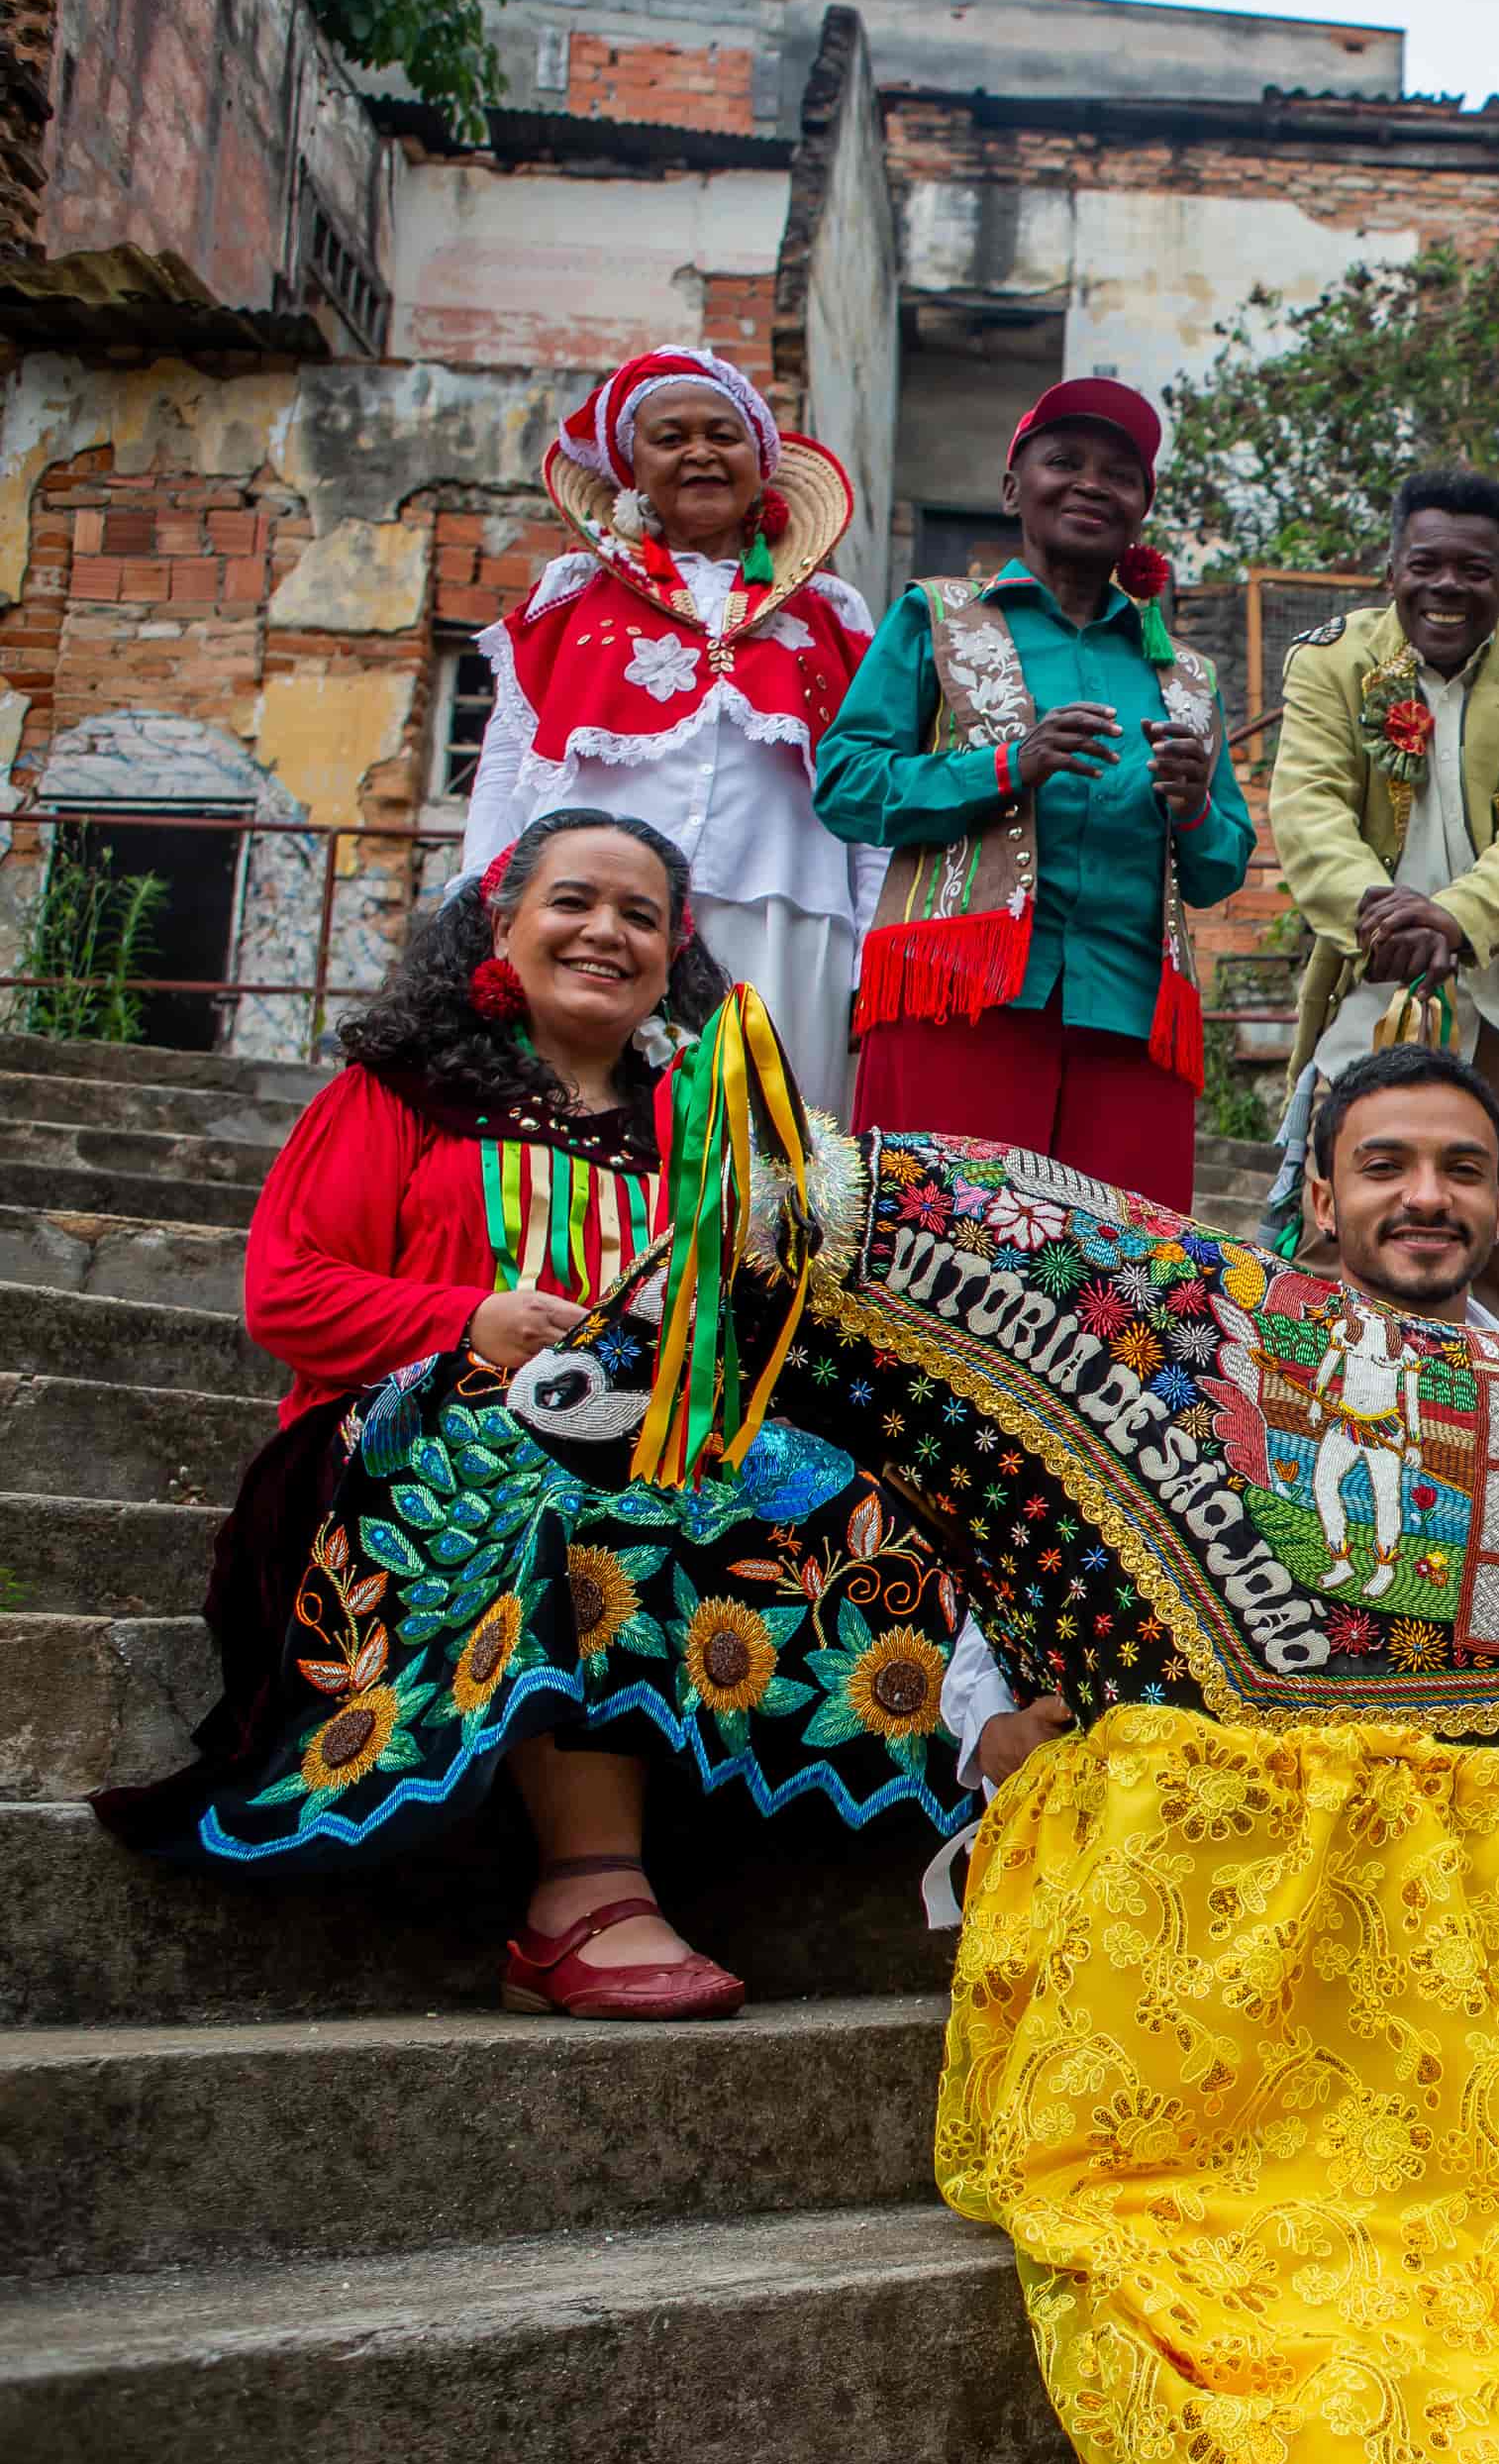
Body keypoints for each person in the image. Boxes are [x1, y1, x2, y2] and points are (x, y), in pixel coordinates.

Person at [96, 809, 972, 2017]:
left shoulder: (696, 1129)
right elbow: (285, 1289)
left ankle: (943, 1826)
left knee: (847, 1492)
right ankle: (585, 1894)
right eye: (574, 902)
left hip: (643, 1432)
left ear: (676, 955)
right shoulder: (396, 1091)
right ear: (502, 923)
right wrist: (467, 1322)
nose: (606, 931)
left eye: (641, 916)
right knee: (573, 1467)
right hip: (393, 1447)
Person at [943, 1039, 1499, 1795]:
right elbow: (1033, 1542)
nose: (1428, 1196)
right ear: (1322, 1202)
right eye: (1384, 1168)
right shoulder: (1204, 1361)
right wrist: (988, 1726)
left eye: (1463, 1170)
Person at [818, 376, 1252, 1212]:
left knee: (1123, 1294)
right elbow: (843, 784)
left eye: (1121, 474)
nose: (1093, 483)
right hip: (957, 998)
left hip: (1131, 1016)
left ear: (1142, 509)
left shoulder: (1184, 674)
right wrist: (1009, 767)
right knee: (931, 1256)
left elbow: (1219, 867)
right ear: (1013, 488)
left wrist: (1194, 804)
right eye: (1065, 461)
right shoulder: (935, 617)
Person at [456, 348, 879, 1114]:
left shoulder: (833, 612)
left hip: (784, 916)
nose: (700, 453)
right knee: (585, 1119)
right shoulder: (573, 594)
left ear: (760, 462)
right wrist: (483, 902)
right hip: (598, 917)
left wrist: (869, 955)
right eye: (671, 437)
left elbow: (869, 793)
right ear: (631, 470)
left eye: (723, 434)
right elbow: (512, 755)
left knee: (770, 1148)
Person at [1267, 466, 1499, 1333]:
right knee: (1335, 1248)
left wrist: (1458, 919)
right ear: (1393, 570)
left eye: (1475, 570)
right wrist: (1377, 909)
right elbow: (1306, 809)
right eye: (1427, 564)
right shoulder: (1331, 663)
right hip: (1373, 978)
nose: (1448, 588)